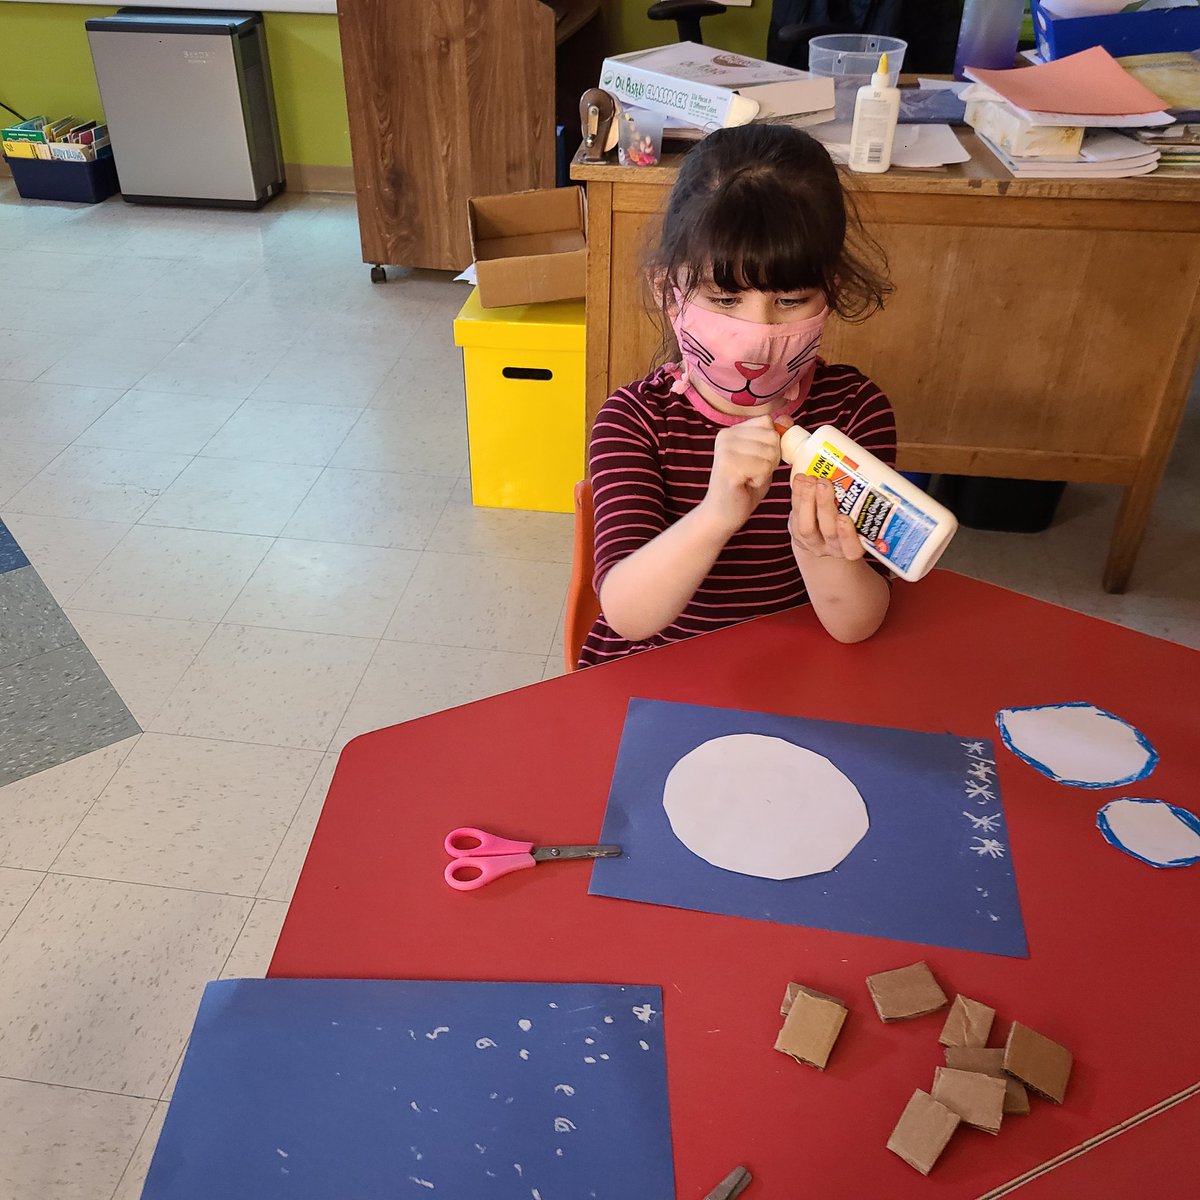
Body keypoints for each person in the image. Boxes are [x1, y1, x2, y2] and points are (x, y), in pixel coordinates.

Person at [577, 123, 898, 670]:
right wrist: (717, 515)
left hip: (791, 673)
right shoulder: (634, 421)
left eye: (791, 299)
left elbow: (856, 625)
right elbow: (627, 616)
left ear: (833, 291)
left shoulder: (853, 414)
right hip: (656, 674)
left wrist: (819, 553)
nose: (758, 336)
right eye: (725, 299)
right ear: (666, 289)